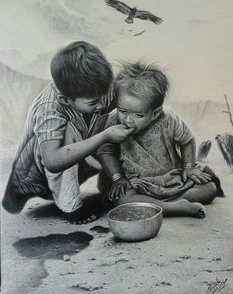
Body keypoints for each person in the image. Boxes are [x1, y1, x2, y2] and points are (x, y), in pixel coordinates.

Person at [2, 41, 135, 221]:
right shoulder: (50, 109)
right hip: (37, 174)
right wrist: (105, 135)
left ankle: (110, 186)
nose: (103, 104)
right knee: (67, 133)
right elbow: (52, 160)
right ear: (66, 100)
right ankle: (71, 208)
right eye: (93, 102)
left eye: (104, 96)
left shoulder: (98, 87)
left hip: (82, 158)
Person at [97, 61, 224, 218]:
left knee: (209, 188)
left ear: (155, 113)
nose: (127, 120)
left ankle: (161, 205)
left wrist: (189, 167)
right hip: (138, 183)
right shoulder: (114, 119)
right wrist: (118, 178)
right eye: (123, 111)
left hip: (171, 177)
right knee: (122, 199)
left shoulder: (168, 118)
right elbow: (106, 151)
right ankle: (176, 207)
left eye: (138, 115)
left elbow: (187, 140)